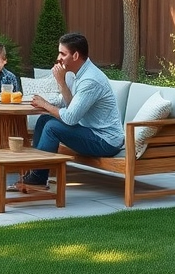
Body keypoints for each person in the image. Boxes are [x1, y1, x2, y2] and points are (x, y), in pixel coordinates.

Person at [15, 32, 124, 191]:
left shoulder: (90, 80)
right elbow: (71, 104)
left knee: (52, 127)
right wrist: (44, 95)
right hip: (90, 131)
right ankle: (36, 170)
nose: (59, 57)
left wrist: (46, 103)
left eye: (62, 53)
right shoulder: (77, 73)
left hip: (106, 141)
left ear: (76, 55)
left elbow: (71, 117)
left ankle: (38, 178)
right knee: (44, 120)